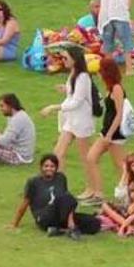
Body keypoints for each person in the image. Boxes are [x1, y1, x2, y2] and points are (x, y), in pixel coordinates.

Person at [40, 46, 97, 197]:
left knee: (86, 157)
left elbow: (77, 101)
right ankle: (58, 188)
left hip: (81, 121)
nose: (63, 61)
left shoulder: (83, 76)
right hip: (71, 121)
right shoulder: (74, 74)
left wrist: (54, 107)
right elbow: (75, 94)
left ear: (75, 59)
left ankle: (92, 189)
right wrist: (66, 89)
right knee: (58, 153)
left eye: (65, 58)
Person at [10, 154, 100, 241]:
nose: (49, 169)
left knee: (94, 223)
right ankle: (71, 227)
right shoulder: (33, 182)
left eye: (52, 166)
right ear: (41, 167)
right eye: (46, 166)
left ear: (56, 168)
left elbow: (68, 203)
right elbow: (25, 203)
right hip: (44, 217)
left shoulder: (61, 178)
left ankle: (60, 230)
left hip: (60, 216)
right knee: (64, 197)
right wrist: (14, 224)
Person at [84, 57, 128, 206]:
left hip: (114, 134)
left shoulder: (117, 88)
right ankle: (98, 193)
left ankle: (126, 195)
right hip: (107, 132)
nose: (99, 74)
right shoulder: (110, 88)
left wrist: (109, 134)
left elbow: (119, 113)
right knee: (91, 157)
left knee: (121, 166)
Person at [98, 0, 134, 75]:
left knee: (108, 44)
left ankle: (109, 70)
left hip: (107, 17)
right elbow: (129, 3)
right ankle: (129, 69)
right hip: (121, 15)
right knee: (126, 42)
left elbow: (103, 2)